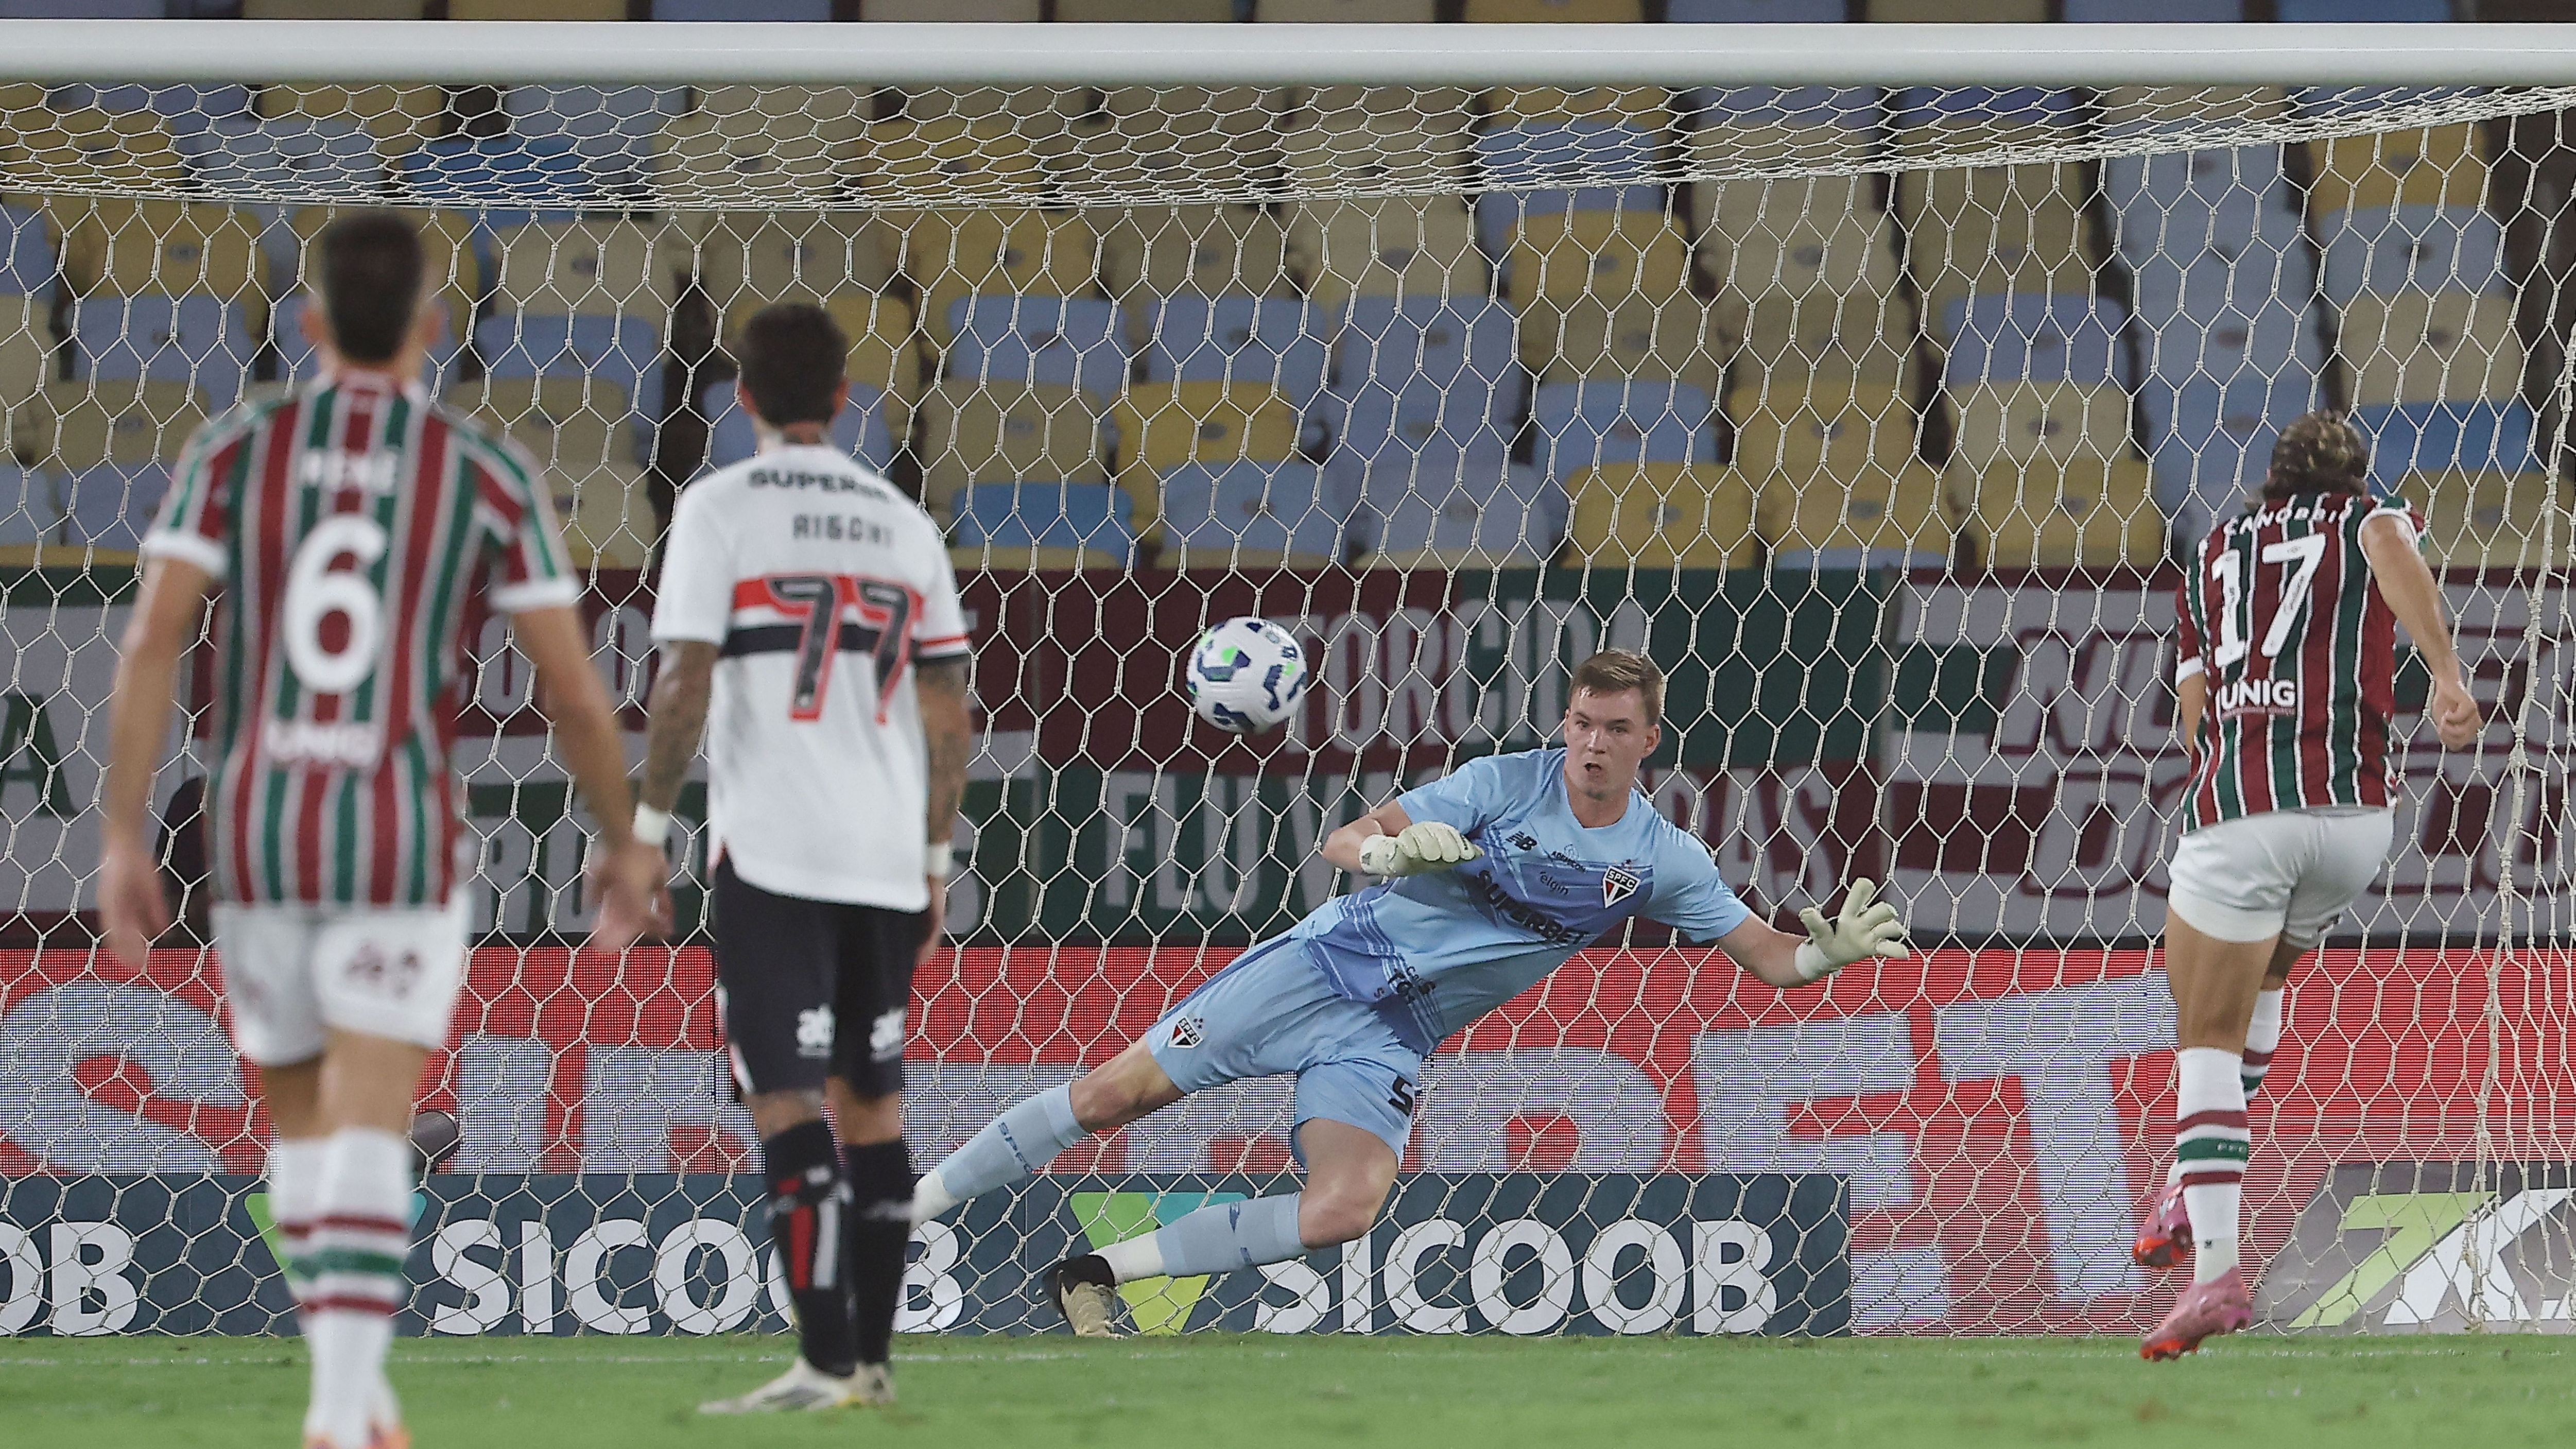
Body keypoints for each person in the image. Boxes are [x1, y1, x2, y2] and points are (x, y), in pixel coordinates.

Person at [96, 210, 669, 1449]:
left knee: (300, 1120)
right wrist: (624, 838)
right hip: (395, 823)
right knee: (371, 1113)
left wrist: (122, 832)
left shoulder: (236, 445)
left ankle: (350, 1398)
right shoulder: (481, 469)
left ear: (305, 327)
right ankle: (346, 1406)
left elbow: (152, 640)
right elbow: (573, 689)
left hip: (254, 825)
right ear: (431, 330)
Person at [911, 648, 1908, 1336]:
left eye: (1614, 729)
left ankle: (1096, 1274)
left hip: (1394, 1032)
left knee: (1344, 1209)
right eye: (1579, 723)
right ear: (1563, 724)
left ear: (1650, 740)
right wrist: (1394, 852)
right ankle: (907, 1211)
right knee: (1109, 1098)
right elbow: (1346, 840)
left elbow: (1768, 956)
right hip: (1323, 969)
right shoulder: (1498, 782)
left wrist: (1825, 957)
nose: (1591, 744)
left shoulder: (1662, 860)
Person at [637, 302, 973, 1411]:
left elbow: (684, 678)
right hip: (884, 854)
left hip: (775, 851)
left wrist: (647, 830)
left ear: (739, 399)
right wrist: (932, 855)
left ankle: (825, 1359)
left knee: (784, 1102)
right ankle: (868, 1365)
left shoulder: (719, 506)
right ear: (845, 399)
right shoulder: (902, 521)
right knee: (873, 1110)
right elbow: (946, 706)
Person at [2137, 409, 2483, 1360]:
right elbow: (2388, 541)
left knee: (2202, 1032)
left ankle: (2212, 1270)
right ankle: (2186, 1175)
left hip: (2247, 806)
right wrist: (2445, 675)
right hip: (2355, 820)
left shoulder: (2214, 552)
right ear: (2352, 475)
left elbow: (2196, 706)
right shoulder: (2365, 518)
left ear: (2270, 478)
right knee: (2269, 979)